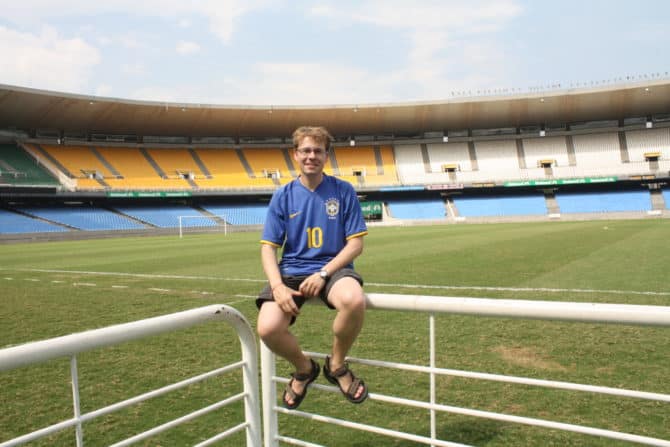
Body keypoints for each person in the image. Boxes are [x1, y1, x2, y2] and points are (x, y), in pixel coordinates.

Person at [256, 125, 369, 409]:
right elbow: (268, 247)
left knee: (354, 300)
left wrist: (323, 273)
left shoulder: (343, 191)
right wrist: (278, 286)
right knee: (268, 328)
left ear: (326, 156)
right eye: (305, 150)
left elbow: (355, 245)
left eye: (318, 151)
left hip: (332, 268)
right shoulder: (282, 195)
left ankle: (337, 365)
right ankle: (305, 369)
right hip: (291, 271)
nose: (311, 156)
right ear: (295, 155)